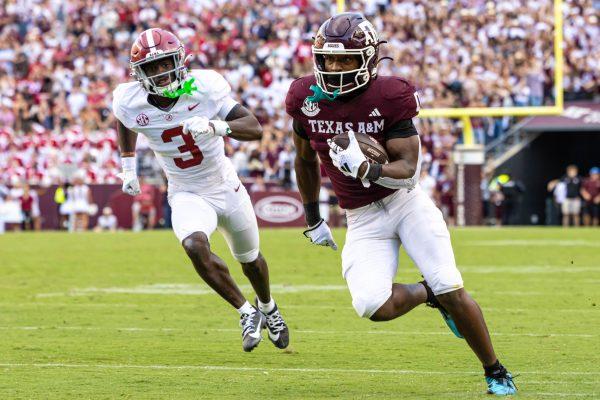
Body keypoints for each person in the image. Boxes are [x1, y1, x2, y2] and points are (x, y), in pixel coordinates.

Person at [285, 13, 515, 395]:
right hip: (360, 217)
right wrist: (313, 217)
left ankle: (495, 369)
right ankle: (428, 294)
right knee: (373, 306)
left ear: (370, 59)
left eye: (346, 59)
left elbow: (408, 170)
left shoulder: (390, 94)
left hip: (404, 202)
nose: (335, 67)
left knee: (452, 287)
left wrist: (367, 168)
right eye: (328, 58)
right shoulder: (304, 97)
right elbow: (304, 159)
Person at [112, 28, 288, 352]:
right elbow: (124, 120)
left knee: (250, 260)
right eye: (152, 68)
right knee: (194, 245)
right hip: (186, 190)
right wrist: (127, 166)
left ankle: (268, 306)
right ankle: (245, 311)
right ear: (139, 74)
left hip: (225, 184)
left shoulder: (203, 87)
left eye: (165, 63)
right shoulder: (129, 99)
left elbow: (254, 127)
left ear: (180, 61)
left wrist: (217, 126)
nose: (161, 73)